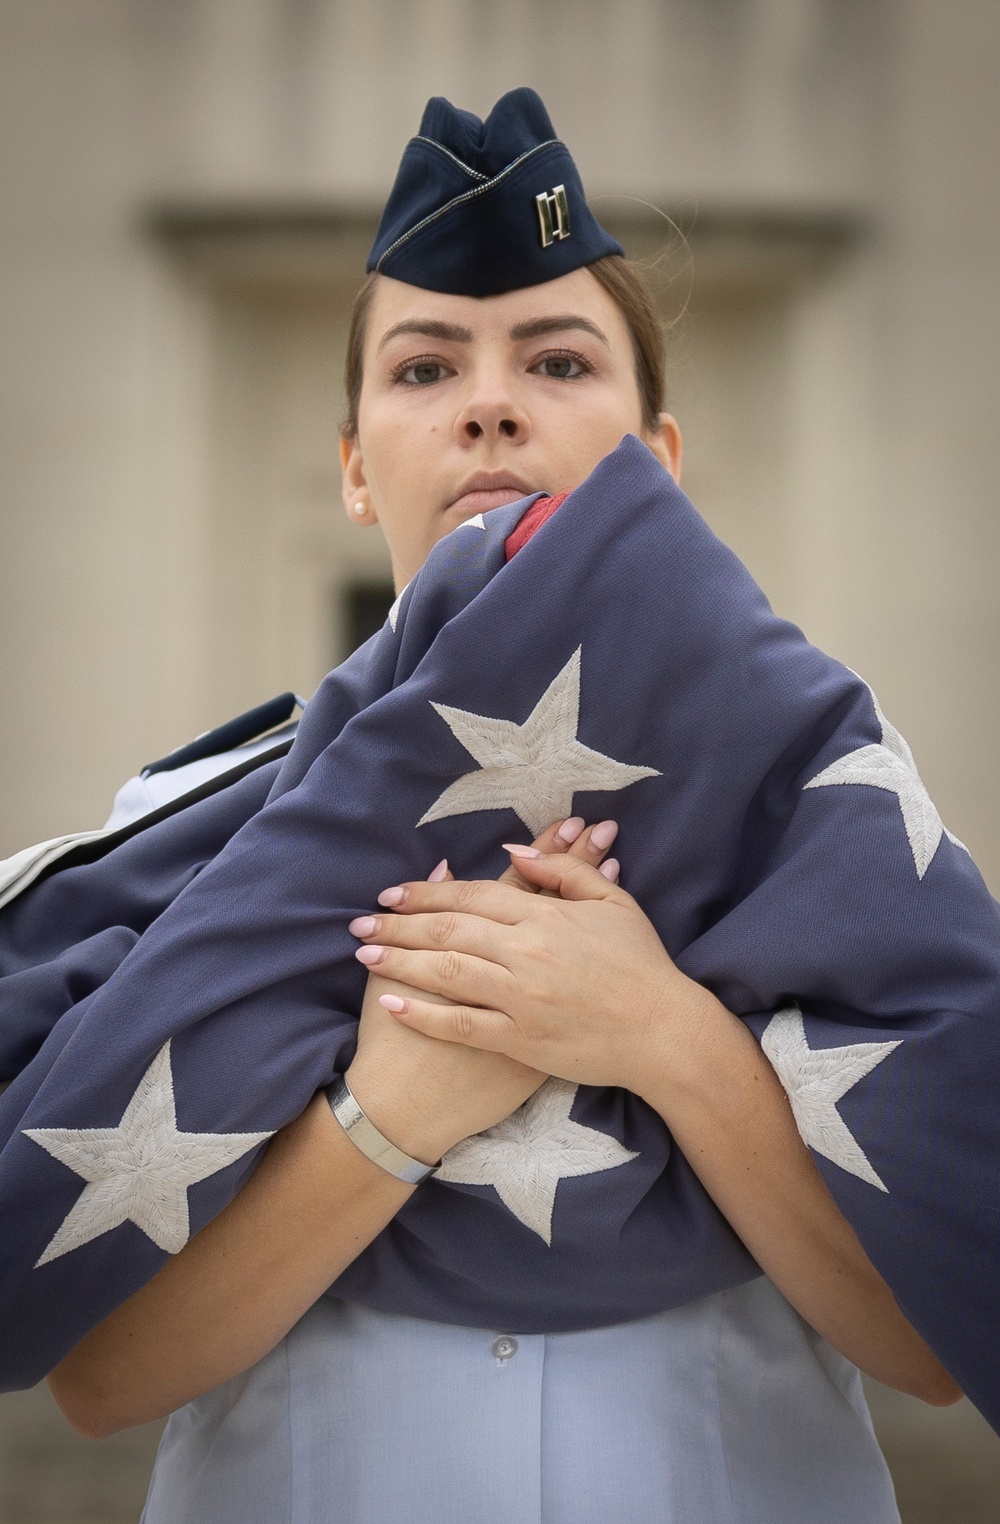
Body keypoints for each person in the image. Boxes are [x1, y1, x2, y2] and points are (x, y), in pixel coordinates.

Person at [45, 88, 959, 1524]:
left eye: (556, 357)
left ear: (659, 463)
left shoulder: (815, 802)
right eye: (421, 369)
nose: (488, 399)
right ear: (354, 469)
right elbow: (97, 1375)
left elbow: (934, 1343)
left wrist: (659, 1034)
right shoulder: (188, 828)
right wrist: (394, 1110)